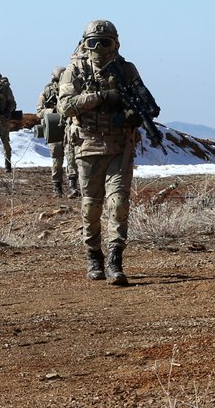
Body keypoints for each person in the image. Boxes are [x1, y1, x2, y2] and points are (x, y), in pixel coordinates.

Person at [57, 20, 160, 286]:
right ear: (84, 43)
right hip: (88, 145)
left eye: (106, 42)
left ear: (116, 43)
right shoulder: (76, 70)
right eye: (94, 42)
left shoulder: (126, 70)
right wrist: (101, 97)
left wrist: (134, 112)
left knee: (119, 203)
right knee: (91, 206)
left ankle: (115, 258)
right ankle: (94, 256)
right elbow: (66, 106)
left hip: (120, 146)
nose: (99, 47)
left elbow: (145, 101)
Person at [37, 67, 69, 196]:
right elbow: (39, 112)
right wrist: (51, 111)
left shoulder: (70, 89)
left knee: (72, 157)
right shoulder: (46, 92)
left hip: (69, 127)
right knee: (57, 158)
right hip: (54, 128)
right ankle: (57, 186)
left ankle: (73, 185)